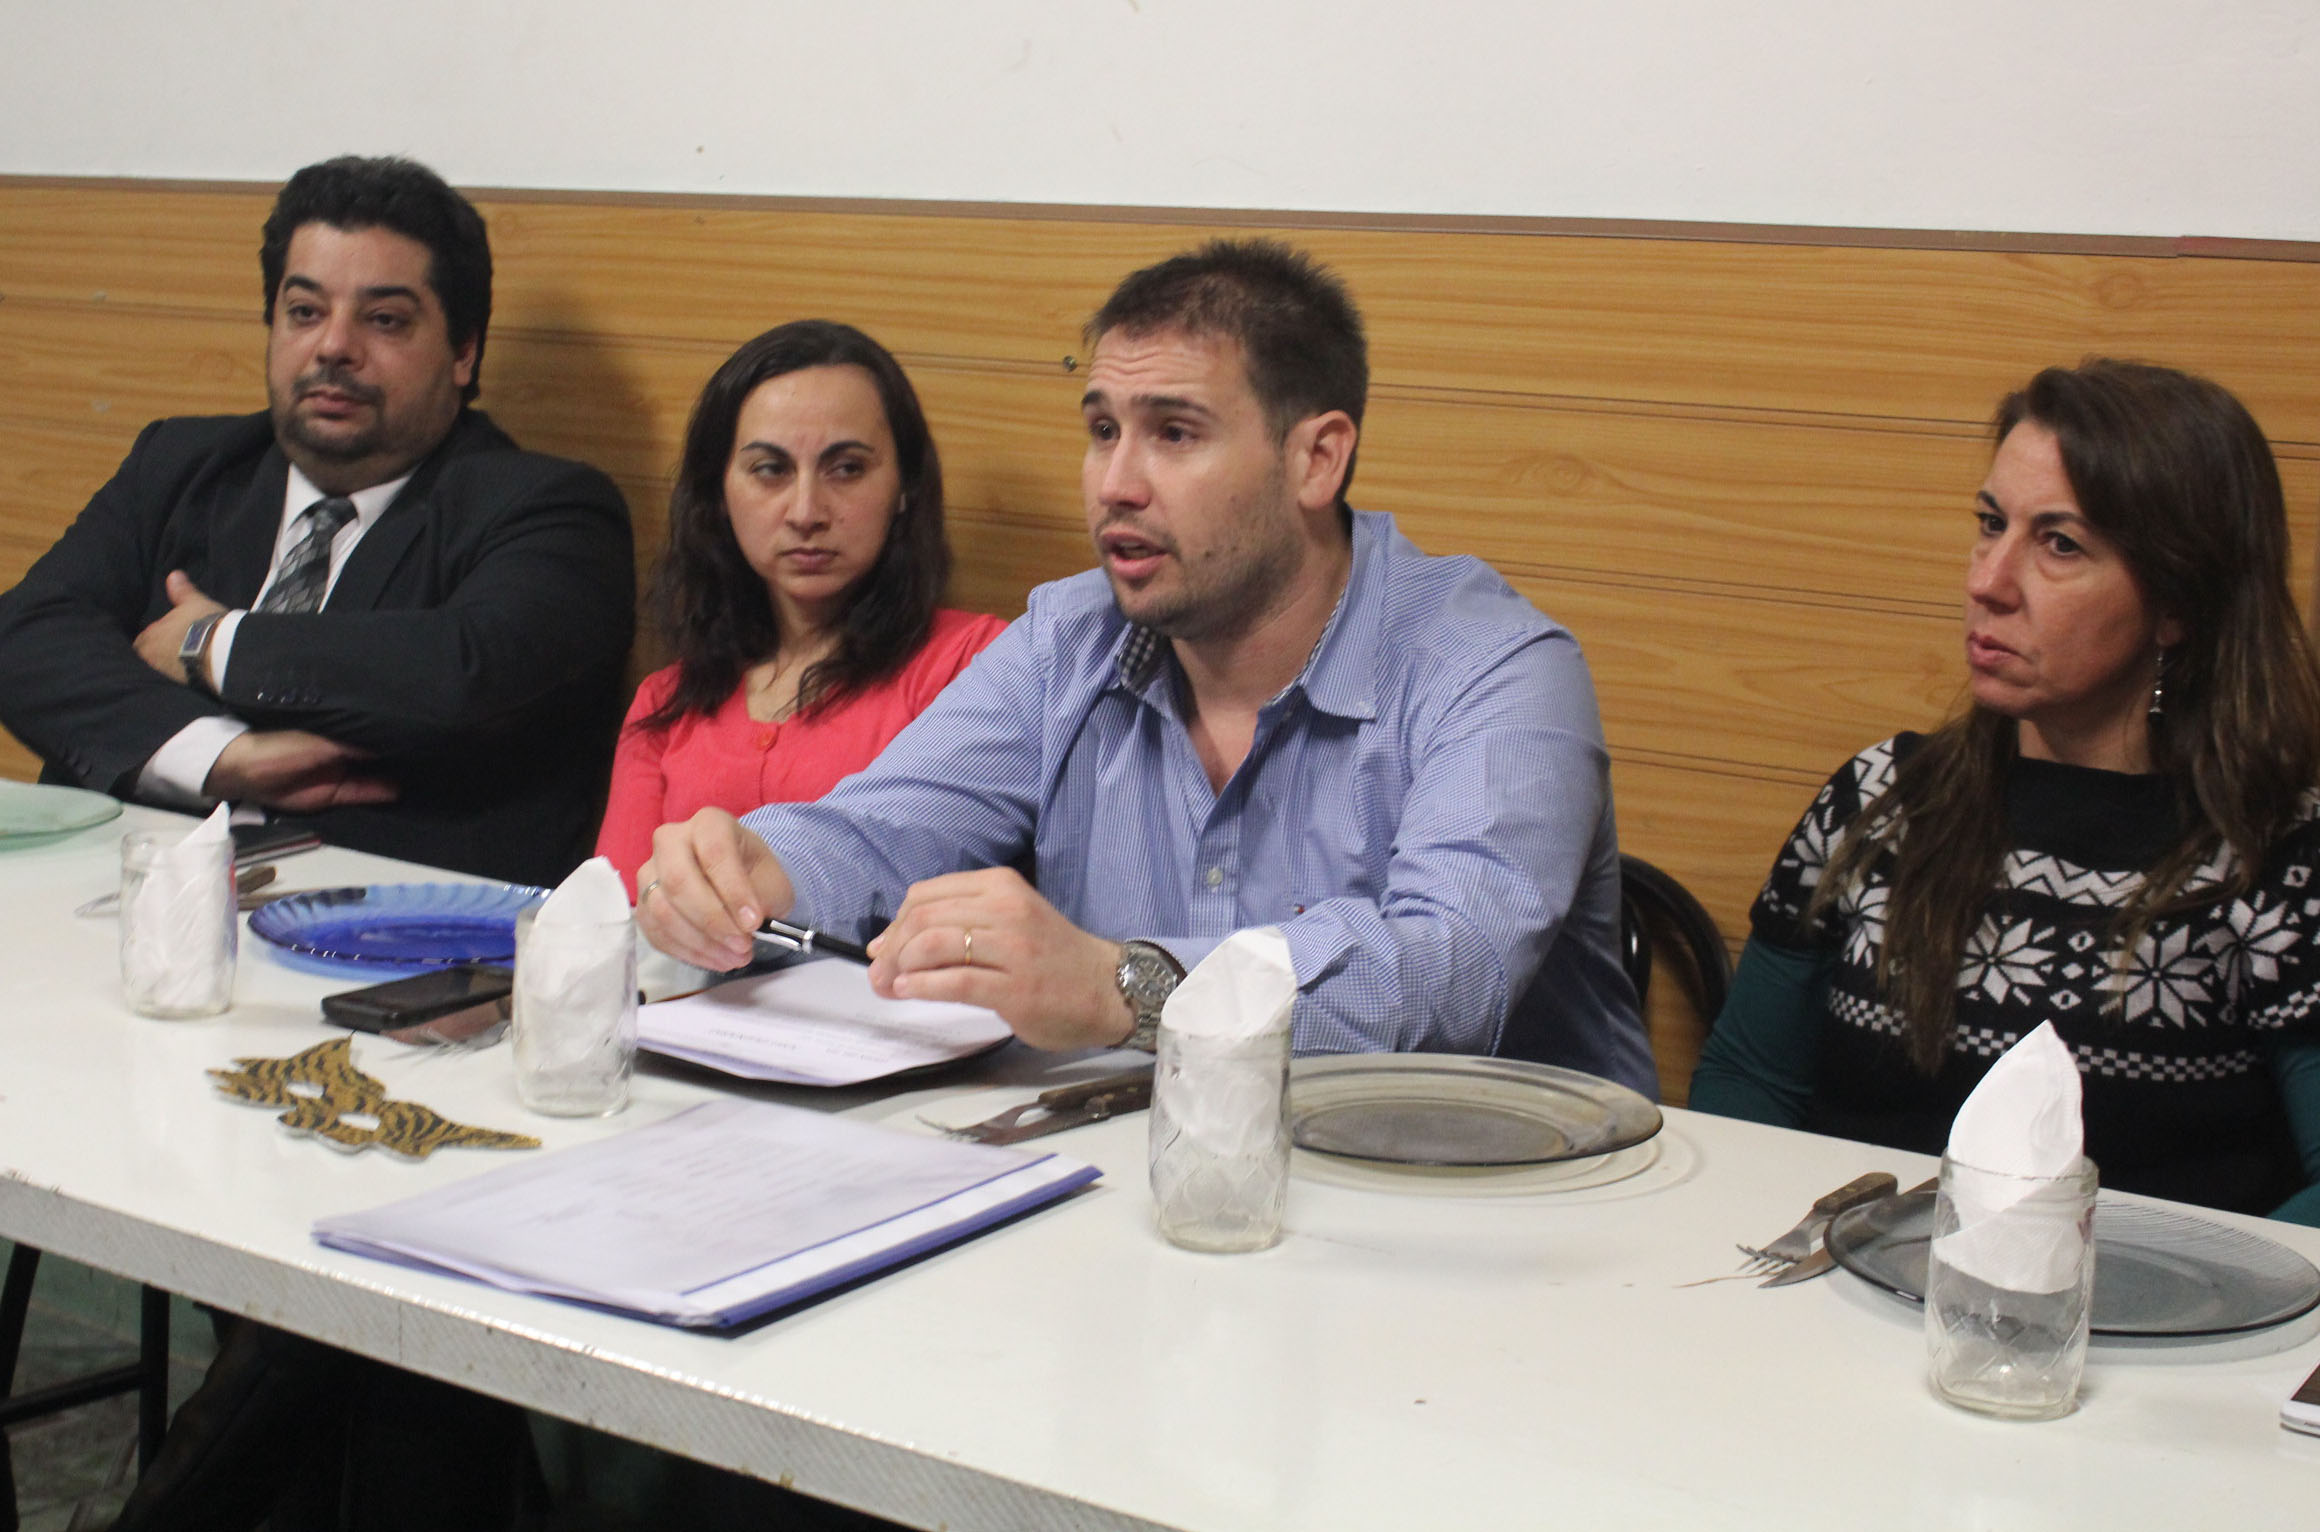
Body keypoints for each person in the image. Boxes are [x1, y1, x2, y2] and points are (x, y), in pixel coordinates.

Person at [638, 238, 1651, 1090]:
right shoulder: (1066, 637)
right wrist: (760, 867)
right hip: (1147, 1178)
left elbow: (1448, 974)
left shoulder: (1495, 666)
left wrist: (1124, 987)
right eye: (1101, 430)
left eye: (1174, 433)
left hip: (1485, 1200)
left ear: (1317, 458)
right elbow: (881, 828)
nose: (1115, 484)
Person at [1690, 359, 2320, 1223]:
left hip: (2134, 1302)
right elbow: (1749, 1081)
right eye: (1991, 525)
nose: (1987, 581)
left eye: (2060, 545)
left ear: (2177, 602)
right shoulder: (1880, 799)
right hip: (1843, 1280)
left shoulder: (2277, 853)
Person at [0, 155, 633, 888]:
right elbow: (27, 637)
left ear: (463, 351)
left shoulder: (549, 510)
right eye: (305, 311)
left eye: (384, 320)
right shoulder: (182, 464)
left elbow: (465, 673)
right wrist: (217, 758)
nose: (334, 347)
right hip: (113, 888)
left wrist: (212, 642)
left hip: (380, 922)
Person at [595, 320, 1004, 896]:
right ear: (719, 492)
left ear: (906, 488)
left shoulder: (973, 664)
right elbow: (617, 917)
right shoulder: (666, 702)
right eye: (771, 470)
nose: (806, 512)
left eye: (847, 468)